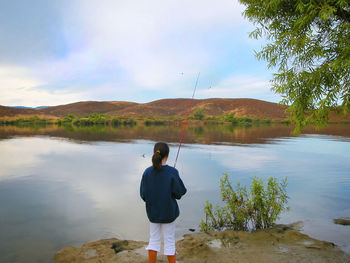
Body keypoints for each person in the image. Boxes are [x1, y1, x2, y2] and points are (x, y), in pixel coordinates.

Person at [140, 142, 187, 263]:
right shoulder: (172, 172)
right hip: (168, 214)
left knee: (153, 240)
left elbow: (143, 195)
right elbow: (180, 193)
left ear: (154, 153)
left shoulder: (146, 172)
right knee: (169, 241)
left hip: (153, 213)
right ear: (167, 155)